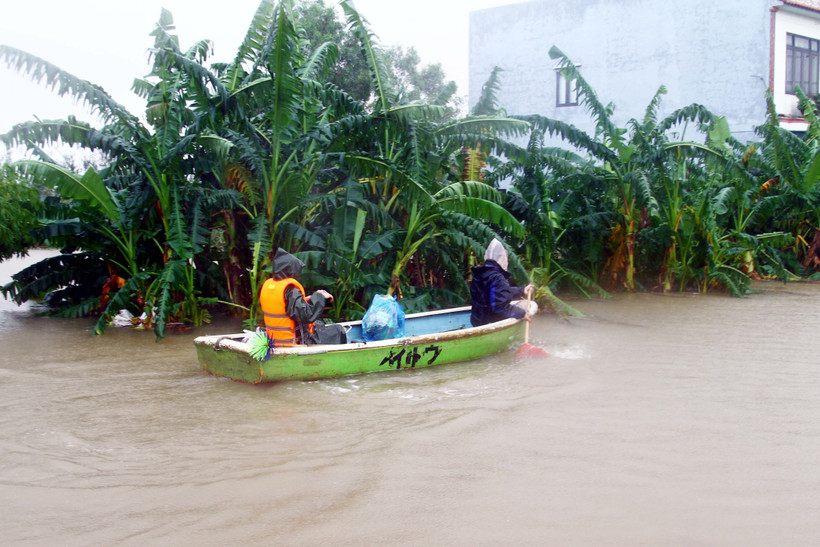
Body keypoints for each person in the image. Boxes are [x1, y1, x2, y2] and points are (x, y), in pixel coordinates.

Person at [260, 248, 347, 346]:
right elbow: (307, 315)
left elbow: (285, 307)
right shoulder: (290, 289)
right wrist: (319, 296)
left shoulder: (269, 286)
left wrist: (308, 298)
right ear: (291, 270)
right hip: (296, 342)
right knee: (338, 330)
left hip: (274, 340)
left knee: (319, 324)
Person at [470, 238, 534, 327]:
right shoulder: (497, 277)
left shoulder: (480, 273)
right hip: (489, 323)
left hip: (476, 321)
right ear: (501, 258)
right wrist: (523, 314)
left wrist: (522, 290)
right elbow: (499, 306)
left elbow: (496, 292)